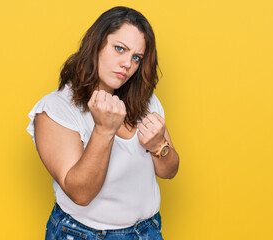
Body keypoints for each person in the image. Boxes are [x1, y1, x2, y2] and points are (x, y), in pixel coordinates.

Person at [26, 6, 179, 240]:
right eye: (119, 49)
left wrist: (159, 145)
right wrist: (104, 130)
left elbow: (170, 171)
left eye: (136, 57)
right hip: (84, 234)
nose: (127, 64)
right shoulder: (55, 109)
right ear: (96, 44)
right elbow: (81, 193)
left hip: (147, 231)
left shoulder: (145, 100)